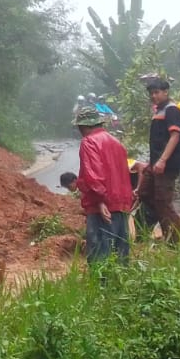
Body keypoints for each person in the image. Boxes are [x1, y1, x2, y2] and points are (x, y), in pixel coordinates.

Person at [70, 105, 134, 265]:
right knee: (121, 253)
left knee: (100, 255)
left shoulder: (88, 142)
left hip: (102, 206)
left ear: (84, 126)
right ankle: (122, 287)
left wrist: (100, 201)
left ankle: (101, 287)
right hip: (121, 204)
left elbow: (93, 175)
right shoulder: (117, 143)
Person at [133, 77, 180, 243]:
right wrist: (152, 164)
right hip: (155, 164)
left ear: (166, 92)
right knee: (145, 194)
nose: (153, 96)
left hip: (166, 165)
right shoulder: (159, 110)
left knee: (162, 202)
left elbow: (175, 136)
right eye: (151, 93)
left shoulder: (171, 110)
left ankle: (175, 239)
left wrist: (163, 160)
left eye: (157, 92)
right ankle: (142, 231)